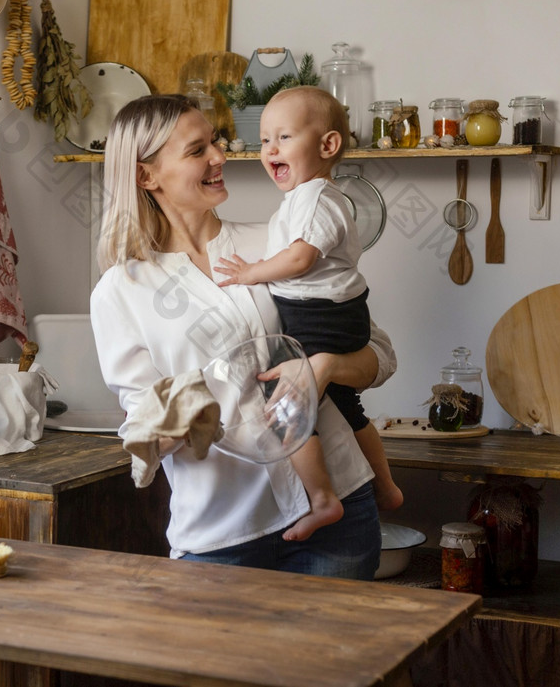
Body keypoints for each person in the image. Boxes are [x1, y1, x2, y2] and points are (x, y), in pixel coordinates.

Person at [90, 93, 397, 580]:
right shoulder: (121, 291)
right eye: (197, 151)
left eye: (215, 142)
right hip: (222, 535)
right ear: (146, 176)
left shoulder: (277, 242)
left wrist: (324, 368)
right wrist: (185, 419)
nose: (220, 157)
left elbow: (378, 353)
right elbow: (142, 423)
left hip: (339, 510)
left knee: (337, 660)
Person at [214, 86, 403, 542]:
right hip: (332, 313)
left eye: (283, 137)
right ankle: (386, 487)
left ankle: (322, 499)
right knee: (345, 405)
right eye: (264, 141)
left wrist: (252, 273)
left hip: (320, 318)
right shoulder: (305, 197)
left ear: (328, 146)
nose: (270, 150)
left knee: (288, 410)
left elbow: (300, 260)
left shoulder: (316, 198)